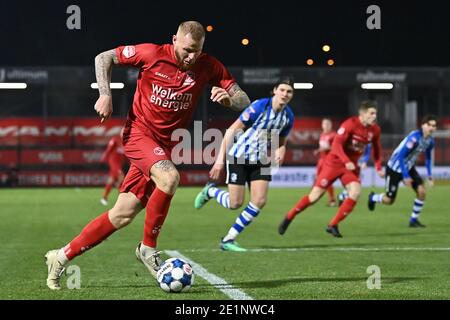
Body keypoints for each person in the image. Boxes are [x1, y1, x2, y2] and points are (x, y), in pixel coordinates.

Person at [44, 21, 251, 290]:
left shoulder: (209, 65)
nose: (191, 56)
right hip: (138, 135)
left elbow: (244, 100)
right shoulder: (151, 54)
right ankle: (147, 249)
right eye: (187, 49)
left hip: (164, 147)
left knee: (121, 215)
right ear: (173, 40)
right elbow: (103, 57)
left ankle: (60, 257)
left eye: (197, 51)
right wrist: (105, 94)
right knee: (169, 177)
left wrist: (229, 101)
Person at [194, 78, 295, 251]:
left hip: (261, 160)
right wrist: (219, 161)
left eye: (289, 92)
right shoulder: (259, 107)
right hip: (239, 156)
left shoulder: (288, 116)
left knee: (260, 201)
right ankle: (210, 190)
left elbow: (281, 139)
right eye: (283, 90)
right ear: (275, 90)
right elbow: (232, 131)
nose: (285, 94)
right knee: (235, 203)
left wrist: (281, 149)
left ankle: (228, 239)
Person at [278, 101, 384, 238]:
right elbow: (336, 146)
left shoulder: (375, 130)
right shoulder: (350, 124)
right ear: (362, 114)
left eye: (375, 113)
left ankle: (333, 225)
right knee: (314, 197)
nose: (374, 116)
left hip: (349, 167)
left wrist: (378, 167)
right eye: (371, 113)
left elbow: (377, 149)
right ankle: (289, 216)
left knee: (356, 192)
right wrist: (346, 161)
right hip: (334, 163)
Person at [367, 115, 437, 227]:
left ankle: (413, 220)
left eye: (434, 126)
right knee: (389, 200)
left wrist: (429, 175)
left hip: (409, 168)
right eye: (429, 125)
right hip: (394, 169)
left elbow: (428, 158)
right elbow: (400, 157)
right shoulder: (414, 138)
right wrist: (405, 176)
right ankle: (373, 197)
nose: (432, 128)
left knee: (422, 192)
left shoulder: (430, 141)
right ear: (423, 125)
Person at [313, 118, 337, 206]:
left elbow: (336, 147)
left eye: (327, 124)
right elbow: (323, 147)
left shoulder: (334, 135)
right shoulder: (322, 135)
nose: (325, 126)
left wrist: (325, 149)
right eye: (324, 124)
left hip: (329, 161)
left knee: (326, 180)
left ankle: (332, 199)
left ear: (331, 125)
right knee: (317, 179)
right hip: (321, 160)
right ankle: (314, 196)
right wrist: (318, 150)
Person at [100, 129, 127, 206]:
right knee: (121, 177)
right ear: (121, 132)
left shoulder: (126, 142)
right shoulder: (115, 139)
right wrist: (103, 159)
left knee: (112, 180)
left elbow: (125, 155)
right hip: (114, 163)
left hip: (119, 164)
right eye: (123, 131)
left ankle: (104, 198)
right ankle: (121, 199)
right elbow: (108, 150)